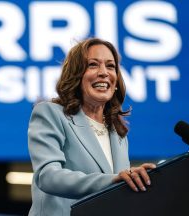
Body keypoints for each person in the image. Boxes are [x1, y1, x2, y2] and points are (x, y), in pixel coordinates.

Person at [27, 38, 156, 215]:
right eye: (93, 65)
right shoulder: (51, 113)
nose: (104, 73)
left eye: (110, 66)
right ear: (76, 75)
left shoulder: (118, 133)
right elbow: (47, 177)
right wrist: (113, 180)